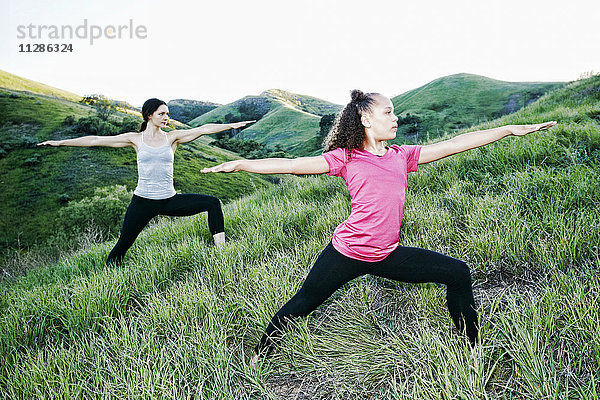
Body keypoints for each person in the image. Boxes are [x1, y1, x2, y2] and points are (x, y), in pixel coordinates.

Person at [202, 90, 557, 360]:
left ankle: (470, 348)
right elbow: (293, 164)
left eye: (394, 112)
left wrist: (510, 128)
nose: (395, 118)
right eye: (388, 112)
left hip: (387, 254)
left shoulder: (402, 156)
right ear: (365, 119)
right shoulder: (346, 158)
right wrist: (243, 165)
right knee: (304, 302)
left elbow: (454, 144)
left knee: (458, 273)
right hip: (347, 252)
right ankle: (260, 356)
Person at [39, 98, 254, 266]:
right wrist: (59, 142)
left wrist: (233, 125)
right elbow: (95, 140)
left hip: (169, 200)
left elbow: (203, 129)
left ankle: (222, 252)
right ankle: (109, 273)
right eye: (162, 113)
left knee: (213, 203)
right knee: (123, 245)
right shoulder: (135, 138)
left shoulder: (172, 137)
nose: (166, 117)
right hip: (142, 202)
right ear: (149, 115)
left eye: (167, 114)